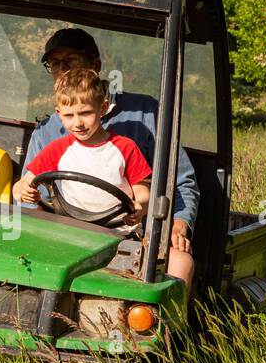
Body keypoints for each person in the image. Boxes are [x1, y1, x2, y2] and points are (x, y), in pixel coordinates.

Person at [24, 28, 199, 286]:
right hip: (67, 231)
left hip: (127, 233)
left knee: (178, 263)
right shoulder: (47, 131)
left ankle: (163, 324)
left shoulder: (145, 115)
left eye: (69, 60)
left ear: (95, 65)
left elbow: (180, 181)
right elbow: (29, 195)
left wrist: (178, 223)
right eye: (54, 64)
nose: (62, 69)